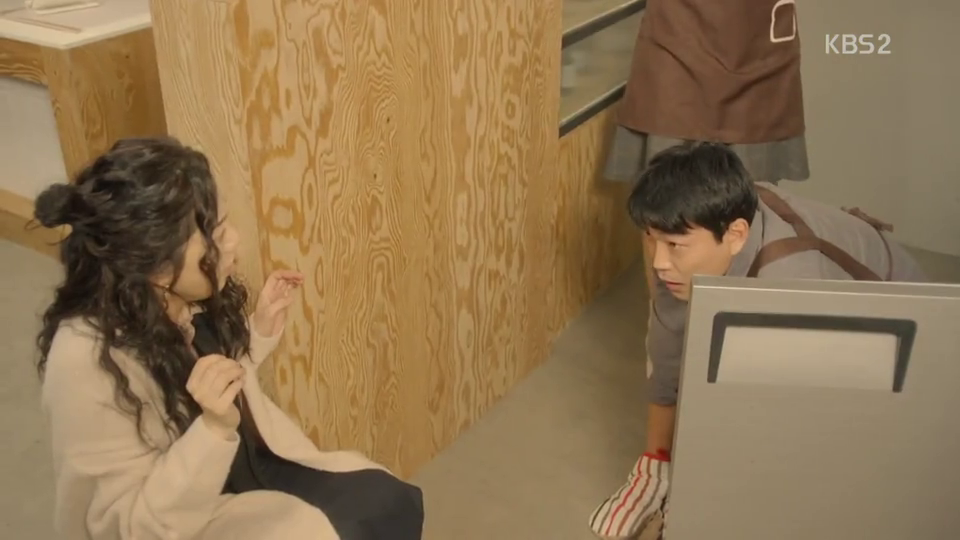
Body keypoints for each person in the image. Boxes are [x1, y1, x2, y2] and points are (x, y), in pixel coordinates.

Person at [34, 137, 425, 540]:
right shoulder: (85, 365)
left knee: (386, 500)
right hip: (185, 512)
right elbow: (127, 529)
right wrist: (213, 430)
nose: (235, 239)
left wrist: (257, 333)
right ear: (159, 266)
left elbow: (196, 378)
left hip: (235, 462)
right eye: (217, 234)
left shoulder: (167, 299)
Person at [588, 142, 928, 539]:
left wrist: (703, 497)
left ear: (735, 235)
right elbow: (666, 355)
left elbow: (777, 418)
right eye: (651, 239)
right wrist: (655, 461)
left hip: (901, 332)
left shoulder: (790, 280)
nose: (659, 261)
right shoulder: (683, 249)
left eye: (674, 245)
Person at [604, 0, 809, 303]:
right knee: (663, 201)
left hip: (757, 38)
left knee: (744, 207)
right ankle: (666, 327)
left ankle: (733, 321)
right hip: (677, 31)